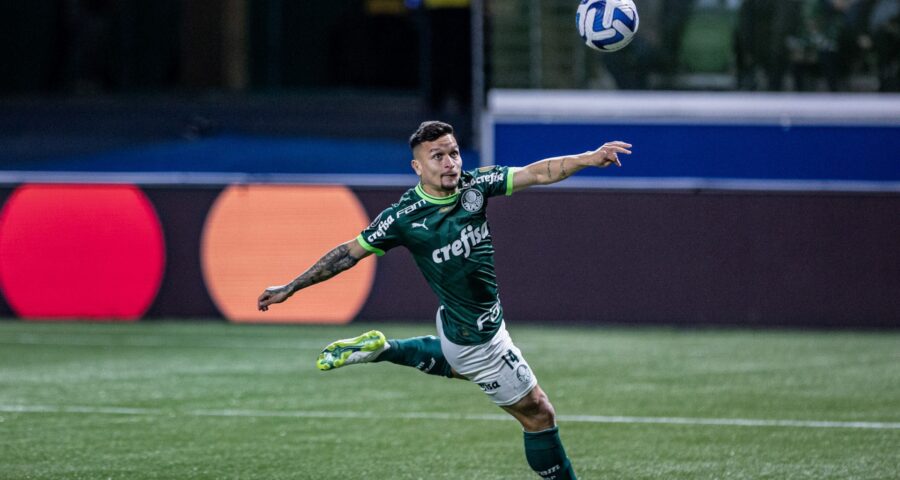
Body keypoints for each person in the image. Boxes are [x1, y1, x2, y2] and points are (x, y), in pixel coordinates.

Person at [257, 120, 631, 479]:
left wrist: (588, 157)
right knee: (538, 414)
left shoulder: (476, 186)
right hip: (478, 339)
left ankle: (384, 349)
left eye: (453, 153)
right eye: (438, 156)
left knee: (463, 366)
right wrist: (292, 286)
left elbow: (538, 172)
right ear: (417, 167)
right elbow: (347, 253)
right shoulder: (403, 217)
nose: (450, 163)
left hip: (455, 325)